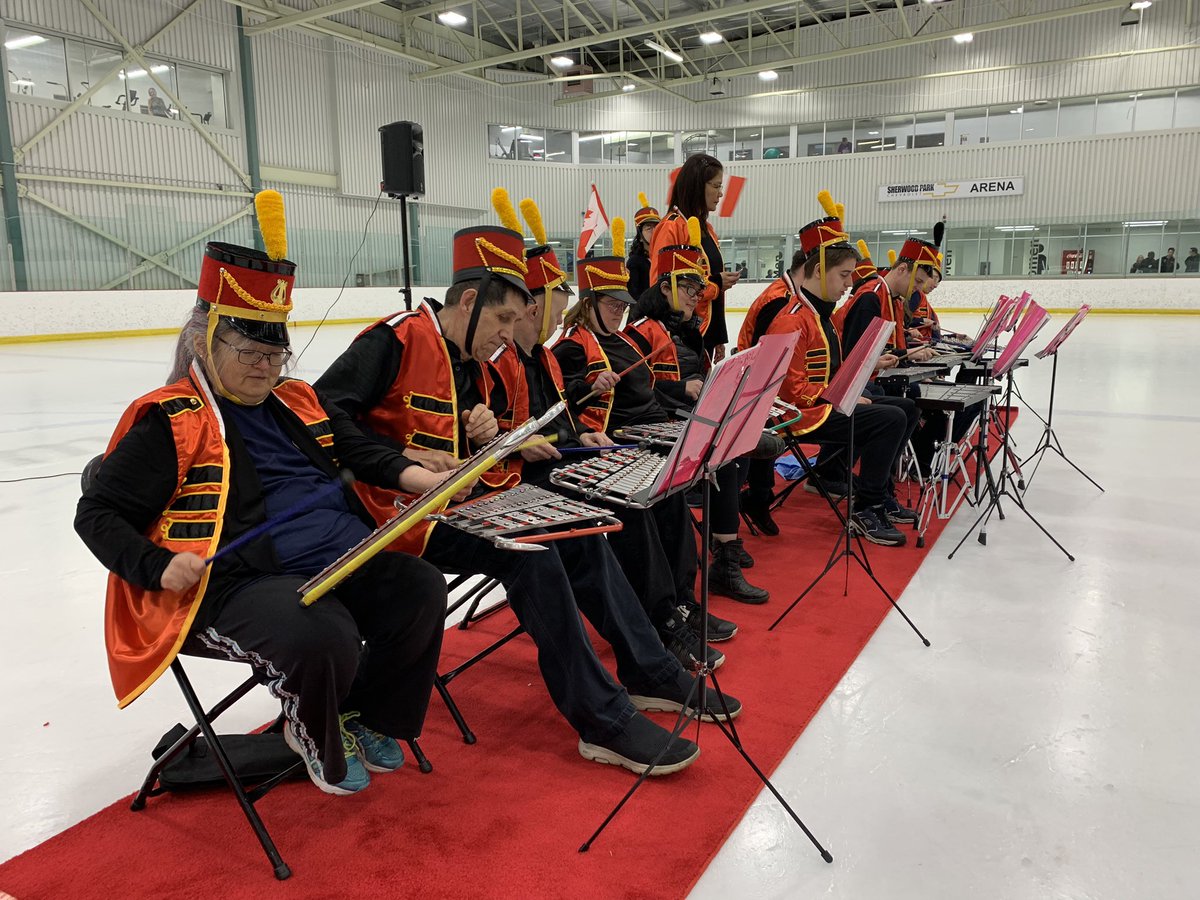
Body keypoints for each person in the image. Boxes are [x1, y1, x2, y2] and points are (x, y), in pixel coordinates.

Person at [316, 215, 736, 776]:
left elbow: (459, 437)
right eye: (503, 317)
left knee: (578, 533)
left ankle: (649, 671)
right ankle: (602, 721)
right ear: (467, 302)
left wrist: (482, 434)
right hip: (396, 515)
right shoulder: (394, 341)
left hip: (464, 503)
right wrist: (399, 465)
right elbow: (321, 420)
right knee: (534, 557)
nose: (511, 332)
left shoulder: (476, 361)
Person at [75, 192, 447, 796]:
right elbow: (96, 512)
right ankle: (311, 731)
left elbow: (357, 451)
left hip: (338, 561)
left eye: (276, 352)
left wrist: (414, 477)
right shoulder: (170, 420)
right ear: (204, 343)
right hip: (239, 584)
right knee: (323, 635)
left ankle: (366, 717)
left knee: (419, 588)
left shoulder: (296, 400)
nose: (266, 366)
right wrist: (158, 565)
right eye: (250, 351)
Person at [626, 215, 777, 603]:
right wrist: (684, 387)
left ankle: (722, 537)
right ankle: (723, 552)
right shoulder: (643, 330)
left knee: (743, 443)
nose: (700, 295)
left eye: (700, 288)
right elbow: (636, 395)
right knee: (726, 455)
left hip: (686, 418)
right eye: (692, 287)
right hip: (659, 426)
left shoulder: (685, 328)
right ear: (667, 286)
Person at [760, 200, 911, 546]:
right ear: (818, 271)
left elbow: (826, 372)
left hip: (821, 404)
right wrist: (839, 396)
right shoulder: (792, 318)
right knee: (890, 419)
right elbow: (789, 390)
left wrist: (854, 383)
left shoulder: (818, 315)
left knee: (905, 408)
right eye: (843, 275)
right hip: (799, 415)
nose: (849, 284)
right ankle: (866, 507)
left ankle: (880, 494)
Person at [649, 153, 738, 361]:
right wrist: (715, 285)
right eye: (716, 186)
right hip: (682, 336)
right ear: (698, 186)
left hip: (704, 332)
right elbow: (660, 285)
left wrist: (718, 335)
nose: (721, 193)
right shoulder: (671, 227)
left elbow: (711, 280)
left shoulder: (707, 229)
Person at [625, 192, 660, 300]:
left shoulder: (665, 258)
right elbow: (634, 296)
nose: (654, 231)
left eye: (656, 227)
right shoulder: (634, 262)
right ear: (640, 236)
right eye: (648, 228)